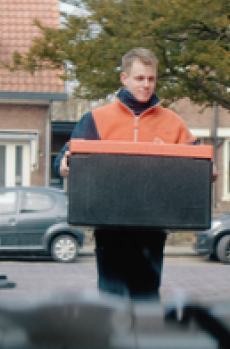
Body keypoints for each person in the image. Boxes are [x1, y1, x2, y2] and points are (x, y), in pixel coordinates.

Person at [55, 48, 204, 300]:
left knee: (146, 296)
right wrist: (64, 164)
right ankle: (115, 339)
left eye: (151, 79)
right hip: (108, 224)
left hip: (153, 225)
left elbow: (199, 161)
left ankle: (142, 338)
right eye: (139, 78)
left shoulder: (173, 122)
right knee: (112, 297)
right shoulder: (95, 119)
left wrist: (209, 170)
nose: (146, 85)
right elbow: (65, 157)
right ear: (124, 78)